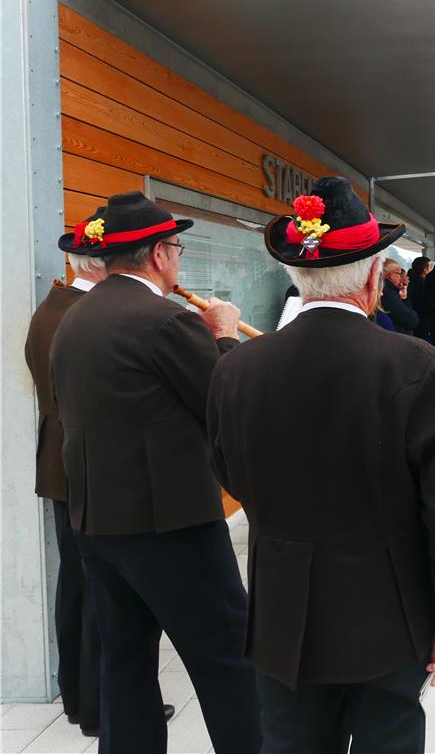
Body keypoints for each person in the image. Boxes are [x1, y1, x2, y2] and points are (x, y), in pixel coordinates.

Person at [208, 178, 435, 752]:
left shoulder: (236, 368)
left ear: (297, 275)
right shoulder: (418, 365)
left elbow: (230, 474)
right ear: (374, 277)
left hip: (283, 609)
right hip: (390, 612)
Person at [49, 192, 260, 753]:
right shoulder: (165, 320)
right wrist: (224, 335)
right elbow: (224, 405)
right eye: (177, 250)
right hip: (171, 525)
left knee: (125, 664)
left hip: (97, 521)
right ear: (160, 255)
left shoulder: (74, 318)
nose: (177, 261)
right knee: (227, 657)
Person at [23, 212, 108, 737]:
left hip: (58, 463)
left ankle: (76, 696)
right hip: (90, 465)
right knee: (102, 587)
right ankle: (99, 707)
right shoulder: (89, 316)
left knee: (74, 584)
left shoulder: (50, 307)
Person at [382, 259, 419, 335]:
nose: (401, 278)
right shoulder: (388, 293)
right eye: (399, 274)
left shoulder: (387, 289)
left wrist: (403, 297)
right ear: (391, 276)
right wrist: (405, 299)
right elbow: (411, 320)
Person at [407, 256, 432, 340]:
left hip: (413, 321)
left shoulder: (410, 283)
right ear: (425, 270)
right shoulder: (425, 285)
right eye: (431, 267)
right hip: (423, 323)